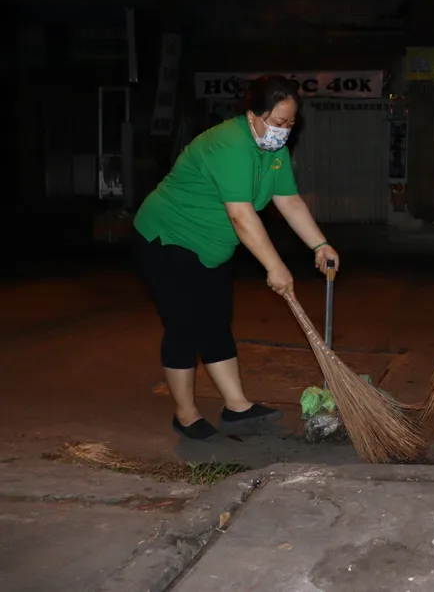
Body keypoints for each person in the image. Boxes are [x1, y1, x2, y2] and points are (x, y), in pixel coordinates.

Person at [133, 75, 341, 441]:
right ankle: (185, 414)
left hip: (212, 246)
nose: (284, 131)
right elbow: (241, 215)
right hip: (169, 237)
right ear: (254, 115)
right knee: (184, 325)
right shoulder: (229, 145)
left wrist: (319, 244)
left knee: (214, 321)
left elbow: (288, 200)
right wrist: (275, 267)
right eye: (278, 123)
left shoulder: (273, 151)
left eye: (291, 124)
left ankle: (237, 406)